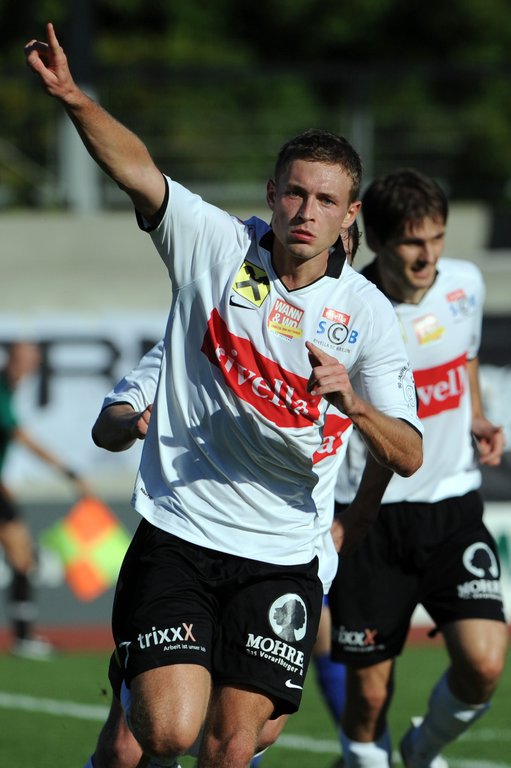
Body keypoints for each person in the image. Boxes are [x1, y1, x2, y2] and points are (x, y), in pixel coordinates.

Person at [25, 24, 423, 768]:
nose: (306, 210)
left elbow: (408, 453)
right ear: (272, 194)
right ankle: (139, 677)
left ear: (349, 216)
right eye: (295, 192)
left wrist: (356, 407)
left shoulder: (368, 316)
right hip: (181, 532)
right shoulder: (215, 246)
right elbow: (138, 171)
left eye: (326, 200)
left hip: (283, 553)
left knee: (237, 743)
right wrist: (75, 98)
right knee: (165, 734)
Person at [84, 224, 360, 768]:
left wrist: (359, 520)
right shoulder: (210, 331)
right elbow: (108, 423)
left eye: (338, 249)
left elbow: (397, 443)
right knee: (135, 745)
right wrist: (131, 423)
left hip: (288, 558)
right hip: (191, 544)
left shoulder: (361, 339)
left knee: (244, 738)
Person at [329, 168, 509, 768]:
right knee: (368, 698)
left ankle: (421, 751)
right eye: (411, 241)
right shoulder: (347, 310)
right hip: (369, 518)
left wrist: (476, 415)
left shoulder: (464, 283)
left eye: (436, 238)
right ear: (379, 241)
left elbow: (466, 354)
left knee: (484, 662)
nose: (428, 255)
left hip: (453, 507)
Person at [0, 341, 90, 659]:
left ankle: (23, 636)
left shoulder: (10, 391)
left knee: (22, 557)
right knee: (21, 556)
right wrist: (68, 471)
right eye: (22, 358)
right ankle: (23, 636)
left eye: (32, 360)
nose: (27, 365)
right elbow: (24, 439)